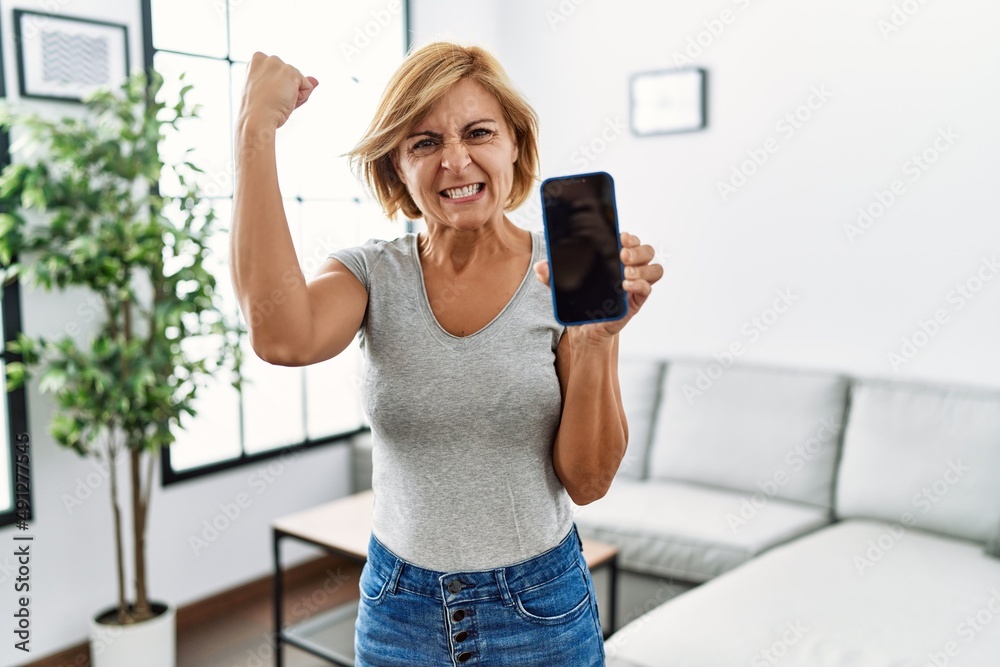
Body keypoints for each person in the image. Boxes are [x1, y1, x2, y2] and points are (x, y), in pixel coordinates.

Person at [231, 41, 663, 666]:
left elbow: (589, 481)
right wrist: (254, 132)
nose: (456, 162)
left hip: (539, 611)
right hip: (397, 610)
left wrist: (596, 340)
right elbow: (281, 336)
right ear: (397, 168)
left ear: (515, 143)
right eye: (424, 143)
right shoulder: (371, 274)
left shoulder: (563, 273)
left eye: (478, 132)